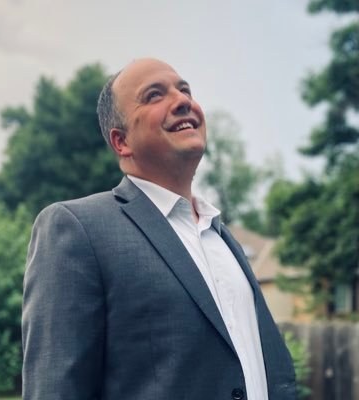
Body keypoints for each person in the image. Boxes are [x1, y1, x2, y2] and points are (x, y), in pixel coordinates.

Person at [22, 58, 296, 400]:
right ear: (121, 141)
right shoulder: (77, 229)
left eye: (185, 90)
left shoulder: (223, 238)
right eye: (154, 95)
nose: (182, 101)